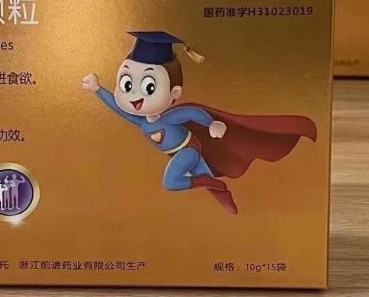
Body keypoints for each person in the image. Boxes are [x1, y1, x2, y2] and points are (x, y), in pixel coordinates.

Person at [82, 31, 317, 214]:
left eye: (149, 87)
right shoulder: (143, 122)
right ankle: (216, 188)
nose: (135, 97)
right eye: (126, 84)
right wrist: (98, 89)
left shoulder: (169, 118)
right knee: (207, 190)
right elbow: (118, 108)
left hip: (188, 152)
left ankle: (208, 183)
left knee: (171, 182)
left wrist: (211, 124)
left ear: (174, 93)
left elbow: (192, 113)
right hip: (179, 154)